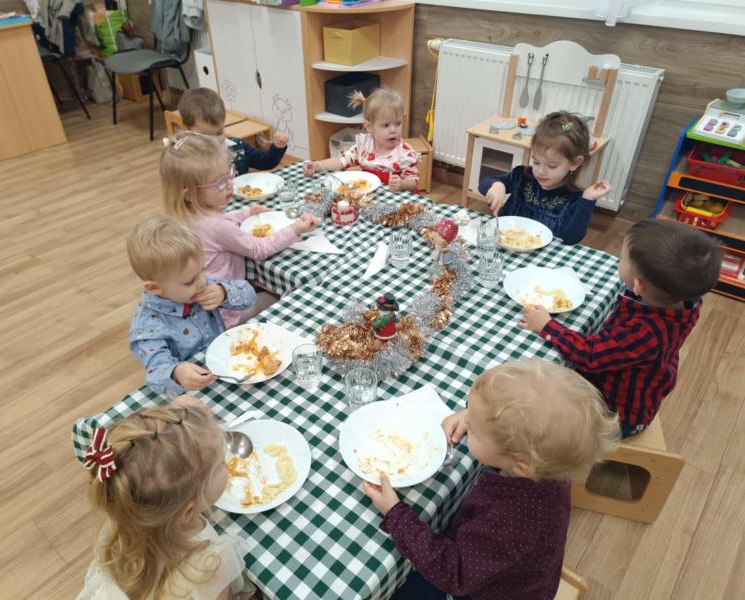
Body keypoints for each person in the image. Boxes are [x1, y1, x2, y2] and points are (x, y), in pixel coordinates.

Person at [364, 360, 620, 599]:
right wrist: (473, 417)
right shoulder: (548, 466)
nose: (468, 422)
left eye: (475, 429)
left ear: (520, 465)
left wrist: (396, 514)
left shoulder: (511, 523)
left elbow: (454, 573)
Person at [521, 219, 721, 437]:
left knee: (536, 404)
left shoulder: (643, 332)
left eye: (622, 258)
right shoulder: (685, 302)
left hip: (616, 417)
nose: (619, 259)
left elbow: (590, 355)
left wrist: (547, 326)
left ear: (638, 285)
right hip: (624, 382)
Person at [78, 398, 257, 599]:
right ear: (187, 512)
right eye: (221, 464)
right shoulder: (211, 564)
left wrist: (184, 421)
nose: (226, 464)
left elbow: (155, 451)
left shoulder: (124, 517)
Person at [160, 132, 317, 328]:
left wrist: (247, 212)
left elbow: (219, 220)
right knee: (281, 298)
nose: (230, 184)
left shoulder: (188, 215)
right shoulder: (217, 227)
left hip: (204, 308)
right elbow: (259, 249)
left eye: (229, 172)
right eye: (220, 182)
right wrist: (295, 229)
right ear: (190, 194)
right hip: (226, 314)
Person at [127, 214, 256, 396]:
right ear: (155, 288)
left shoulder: (198, 285)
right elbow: (155, 374)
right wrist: (176, 373)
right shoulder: (148, 326)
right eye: (189, 281)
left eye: (202, 270)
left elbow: (249, 296)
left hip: (226, 366)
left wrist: (224, 292)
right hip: (193, 391)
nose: (202, 281)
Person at [479, 110, 611, 244]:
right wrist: (497, 185)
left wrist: (588, 200)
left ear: (574, 163)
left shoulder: (574, 198)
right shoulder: (522, 176)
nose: (540, 171)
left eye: (552, 166)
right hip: (504, 246)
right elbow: (483, 185)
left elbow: (572, 238)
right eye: (536, 162)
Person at [303, 87, 419, 192]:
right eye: (386, 125)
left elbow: (414, 182)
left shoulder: (404, 153)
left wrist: (402, 184)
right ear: (369, 127)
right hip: (366, 197)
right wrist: (316, 166)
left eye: (398, 123)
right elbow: (341, 161)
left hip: (393, 200)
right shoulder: (364, 145)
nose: (393, 130)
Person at [178, 87, 288, 175]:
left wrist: (278, 147)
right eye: (206, 137)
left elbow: (266, 162)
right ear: (188, 131)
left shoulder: (238, 147)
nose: (215, 141)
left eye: (219, 132)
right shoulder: (188, 161)